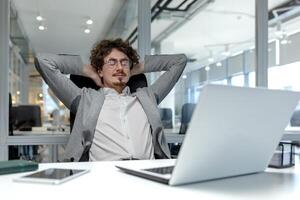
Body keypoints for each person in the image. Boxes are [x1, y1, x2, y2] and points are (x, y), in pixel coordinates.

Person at [35, 38, 187, 162]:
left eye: (124, 61)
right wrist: (88, 71)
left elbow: (180, 61)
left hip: (147, 172)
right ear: (100, 70)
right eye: (112, 62)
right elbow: (43, 61)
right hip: (105, 176)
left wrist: (137, 68)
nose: (119, 67)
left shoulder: (147, 97)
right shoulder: (85, 100)